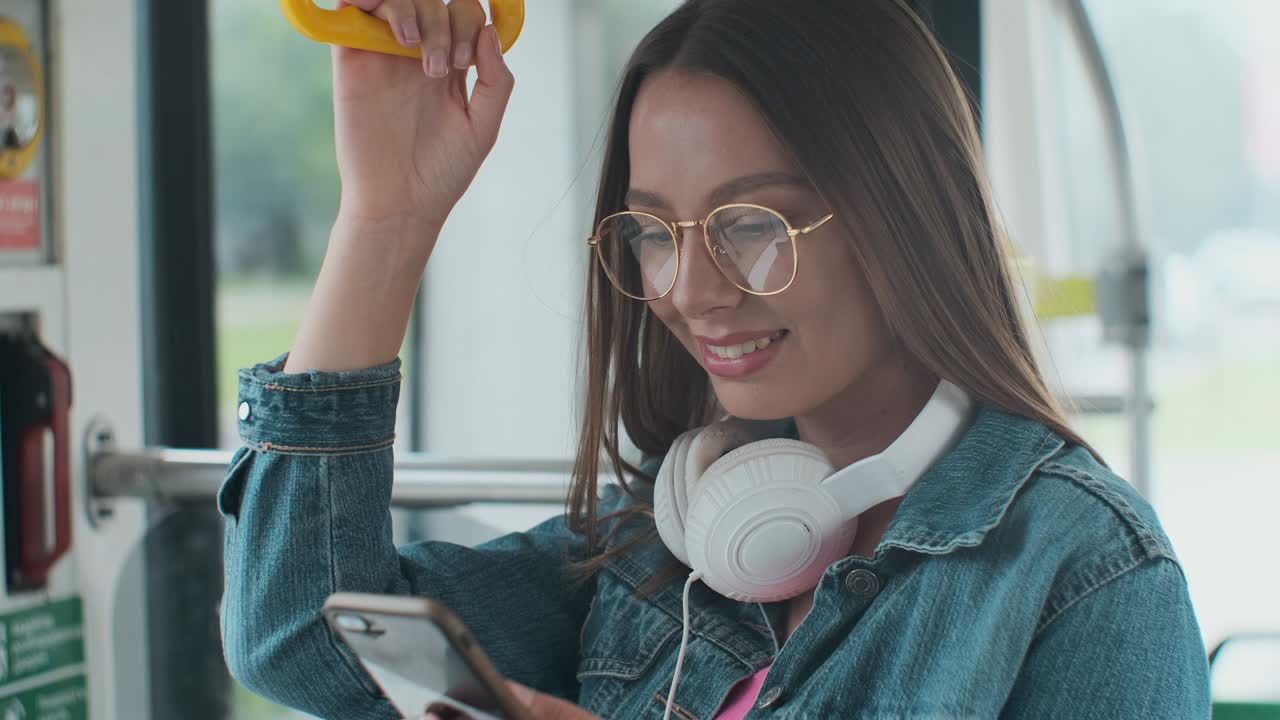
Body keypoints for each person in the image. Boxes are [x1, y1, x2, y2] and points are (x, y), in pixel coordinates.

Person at [219, 1, 1211, 718]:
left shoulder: (1082, 576)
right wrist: (385, 219)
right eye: (653, 230)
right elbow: (304, 635)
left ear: (901, 214)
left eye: (751, 222)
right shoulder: (666, 542)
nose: (690, 288)